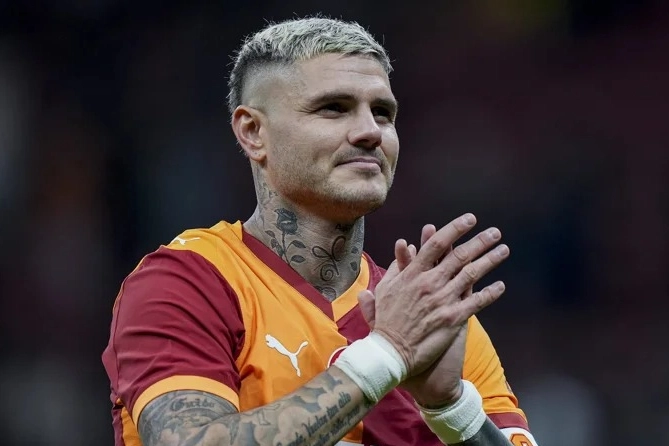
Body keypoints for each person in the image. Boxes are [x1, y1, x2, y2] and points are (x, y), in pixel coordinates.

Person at [102, 16, 539, 446]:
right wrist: (387, 353)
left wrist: (451, 408)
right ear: (253, 132)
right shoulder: (188, 282)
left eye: (383, 113)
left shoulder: (429, 316)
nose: (370, 132)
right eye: (334, 108)